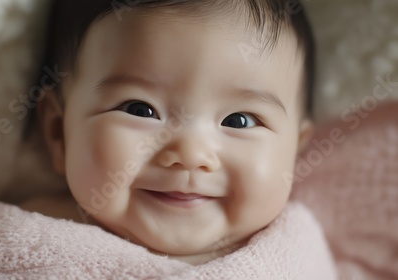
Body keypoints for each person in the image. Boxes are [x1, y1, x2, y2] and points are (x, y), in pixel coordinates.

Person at [21, 0, 316, 265]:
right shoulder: (25, 236)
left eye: (239, 120)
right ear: (58, 134)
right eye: (140, 109)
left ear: (295, 151)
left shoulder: (298, 253)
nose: (191, 155)